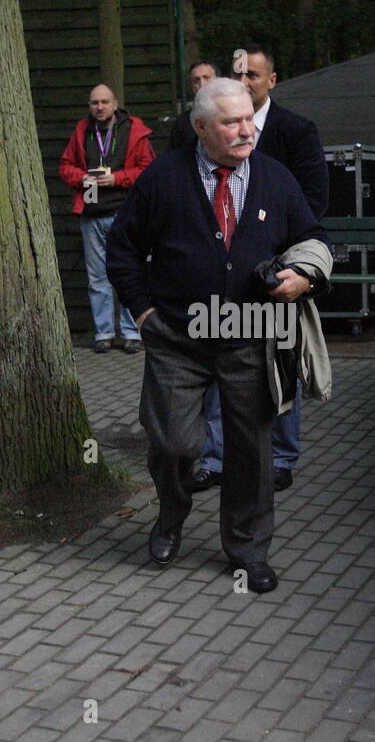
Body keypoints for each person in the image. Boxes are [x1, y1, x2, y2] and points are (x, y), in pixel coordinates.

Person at [107, 77, 328, 594]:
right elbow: (122, 247)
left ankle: (248, 550)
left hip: (252, 334)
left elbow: (312, 236)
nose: (246, 130)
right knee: (174, 444)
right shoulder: (163, 177)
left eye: (249, 118)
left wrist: (304, 276)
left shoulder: (275, 178)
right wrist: (143, 314)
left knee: (251, 451)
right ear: (201, 127)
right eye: (231, 122)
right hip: (178, 337)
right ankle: (170, 514)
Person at [190, 44, 330, 494]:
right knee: (218, 364)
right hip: (219, 276)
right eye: (238, 74)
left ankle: (281, 457)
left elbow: (313, 203)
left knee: (281, 366)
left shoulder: (296, 131)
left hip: (279, 271)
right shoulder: (197, 132)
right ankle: (215, 456)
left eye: (253, 74)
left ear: (271, 80)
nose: (244, 81)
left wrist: (294, 266)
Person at [59, 83, 155, 353]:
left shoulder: (133, 130)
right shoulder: (82, 130)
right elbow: (65, 166)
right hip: (91, 212)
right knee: (97, 277)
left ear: (115, 104)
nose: (99, 107)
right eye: (94, 103)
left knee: (129, 271)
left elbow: (147, 170)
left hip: (124, 212)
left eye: (104, 102)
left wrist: (117, 179)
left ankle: (131, 332)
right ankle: (103, 333)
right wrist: (82, 178)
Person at [168, 60, 218, 150]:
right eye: (196, 80)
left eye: (206, 78)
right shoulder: (182, 122)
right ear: (192, 87)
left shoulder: (233, 115)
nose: (202, 84)